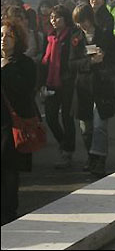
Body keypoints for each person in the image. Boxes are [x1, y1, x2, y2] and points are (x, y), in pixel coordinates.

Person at [70, 3, 115, 177]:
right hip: (83, 87)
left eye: (84, 20)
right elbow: (70, 64)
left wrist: (105, 56)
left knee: (100, 125)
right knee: (86, 128)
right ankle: (91, 157)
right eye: (78, 22)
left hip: (102, 86)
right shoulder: (75, 38)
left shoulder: (105, 35)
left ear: (90, 18)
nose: (82, 25)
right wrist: (89, 62)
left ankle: (99, 159)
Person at [1, 17, 37, 225]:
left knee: (9, 170)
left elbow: (25, 91)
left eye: (9, 35)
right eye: (1, 35)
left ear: (17, 39)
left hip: (12, 124)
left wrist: (6, 68)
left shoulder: (25, 64)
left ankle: (9, 211)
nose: (4, 39)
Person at [41, 4, 76, 169]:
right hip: (51, 83)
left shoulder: (72, 36)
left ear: (65, 19)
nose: (54, 21)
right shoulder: (49, 37)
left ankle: (68, 152)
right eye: (52, 17)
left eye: (58, 17)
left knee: (67, 119)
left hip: (67, 83)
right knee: (50, 117)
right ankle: (64, 143)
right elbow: (44, 61)